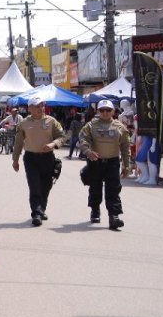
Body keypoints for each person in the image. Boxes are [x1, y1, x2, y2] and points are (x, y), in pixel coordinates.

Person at [11, 96, 65, 227]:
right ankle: (36, 213)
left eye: (42, 105)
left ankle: (42, 209)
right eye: (36, 106)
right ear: (30, 108)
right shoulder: (24, 123)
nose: (40, 108)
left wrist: (53, 144)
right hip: (31, 158)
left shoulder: (52, 121)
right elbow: (18, 143)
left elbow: (61, 137)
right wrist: (15, 159)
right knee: (34, 185)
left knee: (46, 186)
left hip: (47, 158)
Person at [78, 99, 131, 230]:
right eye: (102, 110)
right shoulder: (90, 126)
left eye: (108, 110)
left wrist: (127, 165)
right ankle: (95, 211)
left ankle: (114, 217)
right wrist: (88, 151)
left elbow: (125, 147)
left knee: (113, 189)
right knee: (95, 188)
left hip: (112, 162)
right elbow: (83, 139)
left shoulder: (120, 127)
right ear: (98, 111)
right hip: (95, 162)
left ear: (113, 111)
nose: (105, 113)